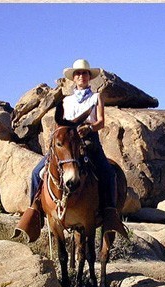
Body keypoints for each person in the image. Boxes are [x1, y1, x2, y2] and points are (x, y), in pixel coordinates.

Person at [30, 59, 128, 238]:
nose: (81, 76)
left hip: (89, 141)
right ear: (73, 78)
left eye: (84, 73)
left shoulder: (96, 97)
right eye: (78, 74)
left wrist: (89, 127)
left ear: (89, 77)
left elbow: (100, 122)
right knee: (36, 172)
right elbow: (62, 123)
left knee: (108, 173)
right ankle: (34, 212)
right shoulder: (66, 101)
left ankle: (110, 213)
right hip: (68, 142)